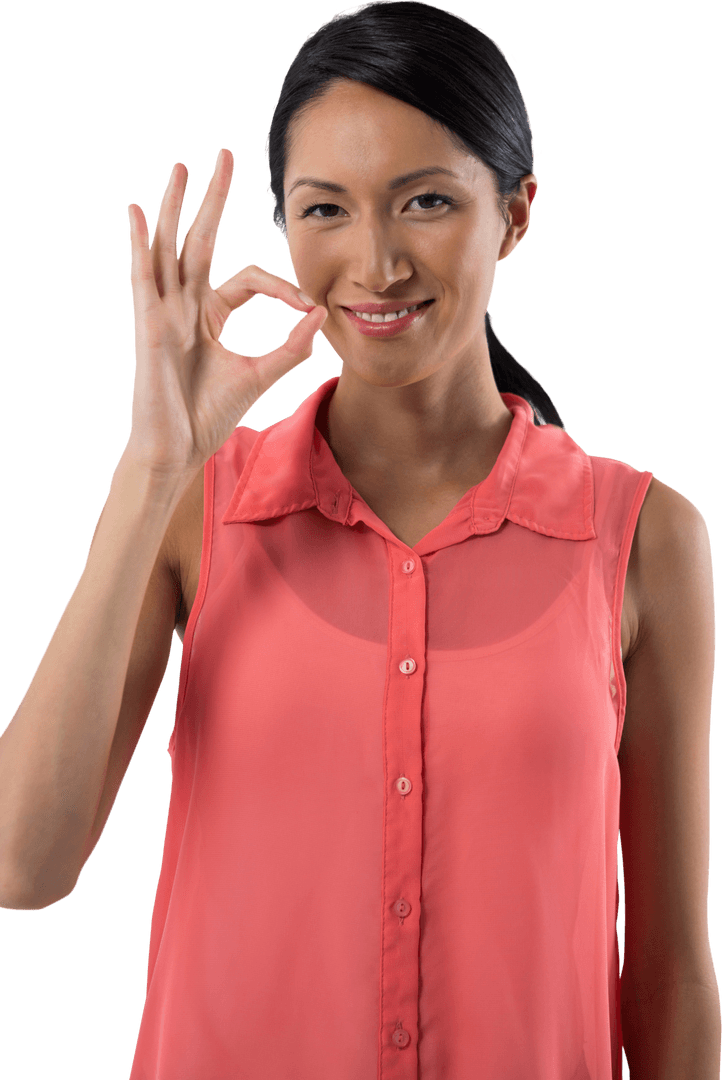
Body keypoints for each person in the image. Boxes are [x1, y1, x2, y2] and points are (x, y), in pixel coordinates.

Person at [0, 1, 718, 1077]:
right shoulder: (199, 506)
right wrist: (150, 471)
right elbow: (23, 864)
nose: (374, 263)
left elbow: (666, 967)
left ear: (515, 213)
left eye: (425, 201)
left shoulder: (639, 537)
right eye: (324, 209)